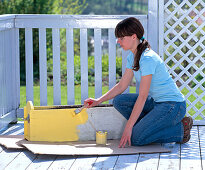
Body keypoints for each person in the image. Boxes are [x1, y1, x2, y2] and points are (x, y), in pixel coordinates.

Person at [84, 17, 193, 147]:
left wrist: (129, 127)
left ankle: (180, 129)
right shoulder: (133, 57)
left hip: (173, 106)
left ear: (134, 37)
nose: (118, 41)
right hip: (156, 103)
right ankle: (147, 127)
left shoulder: (147, 58)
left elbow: (142, 97)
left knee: (136, 139)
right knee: (119, 101)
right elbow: (122, 85)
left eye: (121, 38)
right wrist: (98, 101)